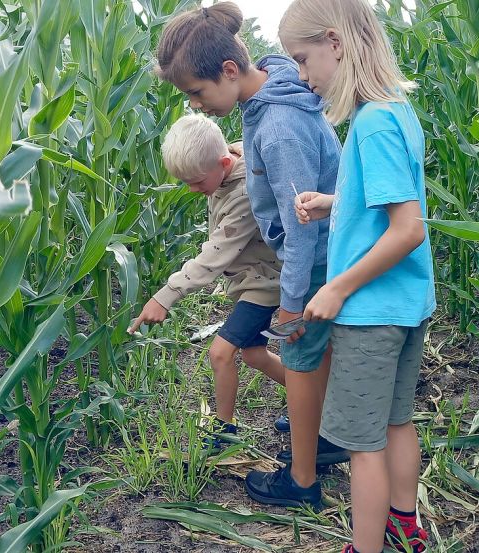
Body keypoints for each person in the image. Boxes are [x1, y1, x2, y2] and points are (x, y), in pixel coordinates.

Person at [154, 2, 346, 509]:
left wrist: (290, 301)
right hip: (323, 254)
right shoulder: (271, 93)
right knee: (313, 357)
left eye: (196, 92)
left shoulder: (277, 126)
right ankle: (323, 438)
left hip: (313, 262)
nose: (195, 105)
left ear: (230, 71)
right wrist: (246, 151)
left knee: (301, 359)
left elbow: (301, 222)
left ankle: (302, 481)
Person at [279, 0, 436, 550]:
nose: (302, 76)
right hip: (405, 305)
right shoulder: (396, 111)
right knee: (396, 423)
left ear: (335, 43)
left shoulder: (370, 124)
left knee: (362, 446)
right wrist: (333, 202)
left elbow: (408, 228)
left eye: (302, 59)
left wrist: (338, 286)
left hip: (370, 313)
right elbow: (387, 198)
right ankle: (404, 524)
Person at [129, 114, 285, 449]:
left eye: (197, 182)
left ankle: (224, 430)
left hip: (263, 284)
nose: (193, 190)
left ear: (224, 162)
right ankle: (314, 402)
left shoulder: (244, 193)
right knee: (255, 354)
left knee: (220, 353)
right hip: (251, 280)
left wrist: (166, 295)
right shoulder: (225, 169)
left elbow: (216, 254)